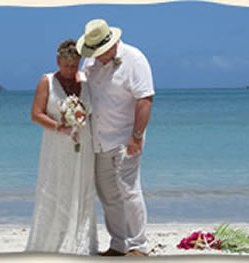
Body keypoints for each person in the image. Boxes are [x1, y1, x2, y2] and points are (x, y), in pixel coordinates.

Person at [76, 19, 155, 256]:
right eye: (95, 52)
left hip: (125, 137)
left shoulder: (134, 59)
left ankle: (139, 245)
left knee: (129, 190)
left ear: (114, 43)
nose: (98, 56)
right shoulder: (91, 61)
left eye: (101, 52)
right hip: (98, 140)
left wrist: (137, 136)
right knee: (107, 194)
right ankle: (118, 244)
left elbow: (145, 99)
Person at [26, 39, 97, 255]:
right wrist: (59, 126)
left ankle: (81, 243)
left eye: (74, 66)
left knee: (83, 190)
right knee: (56, 189)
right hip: (56, 146)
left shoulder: (86, 81)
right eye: (66, 65)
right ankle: (53, 244)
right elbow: (36, 114)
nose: (70, 70)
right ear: (58, 61)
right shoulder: (46, 81)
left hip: (83, 145)